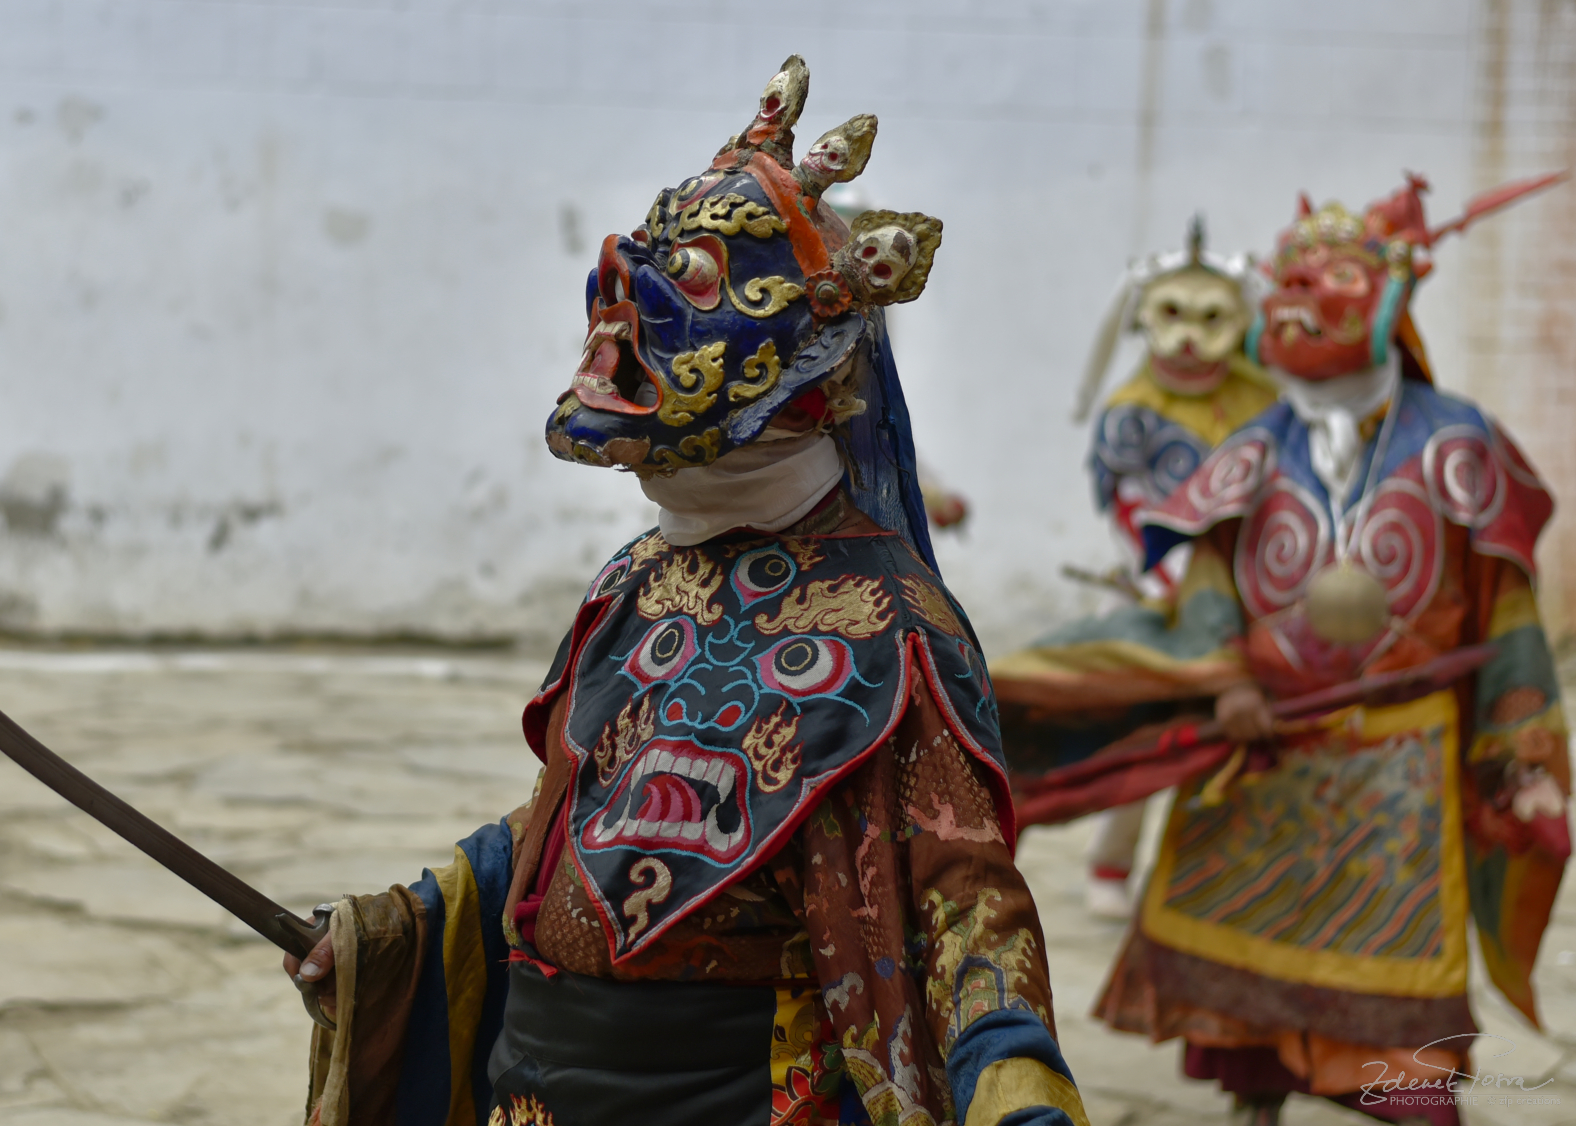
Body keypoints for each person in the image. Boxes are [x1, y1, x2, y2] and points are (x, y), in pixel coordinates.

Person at [283, 57, 1089, 1126]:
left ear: (822, 381)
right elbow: (569, 817)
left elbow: (965, 908)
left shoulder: (894, 631)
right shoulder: (637, 578)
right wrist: (405, 924)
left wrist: (1014, 1084)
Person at [1092, 175, 1569, 1126]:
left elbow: (1508, 611)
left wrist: (1524, 756)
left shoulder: (1458, 442)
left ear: (1391, 297)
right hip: (1267, 746)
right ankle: (1255, 1099)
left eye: (1331, 277)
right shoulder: (1256, 448)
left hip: (1402, 762)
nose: (1302, 297)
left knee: (1398, 991)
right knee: (1244, 983)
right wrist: (1223, 683)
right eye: (1292, 277)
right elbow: (1211, 582)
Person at [994, 220, 1276, 917]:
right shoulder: (1131, 411)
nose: (1188, 337)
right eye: (1173, 314)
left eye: (1210, 318)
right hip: (1164, 593)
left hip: (1252, 592)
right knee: (1151, 721)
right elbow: (1126, 504)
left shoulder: (1264, 398)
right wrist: (1170, 581)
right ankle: (1112, 865)